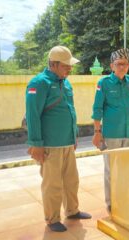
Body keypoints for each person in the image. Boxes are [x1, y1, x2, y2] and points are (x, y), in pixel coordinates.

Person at [26, 46, 91, 232]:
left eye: (70, 65)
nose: (70, 69)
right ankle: (52, 218)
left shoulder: (66, 83)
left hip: (67, 142)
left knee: (71, 180)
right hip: (50, 144)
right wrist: (36, 144)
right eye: (66, 65)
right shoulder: (39, 83)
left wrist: (74, 136)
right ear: (53, 64)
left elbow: (70, 111)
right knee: (52, 184)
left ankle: (72, 210)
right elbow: (33, 115)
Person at [91, 48, 129, 212]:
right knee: (111, 170)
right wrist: (97, 132)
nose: (123, 67)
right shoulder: (103, 83)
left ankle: (125, 198)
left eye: (125, 64)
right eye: (119, 64)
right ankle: (111, 203)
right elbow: (97, 109)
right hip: (111, 134)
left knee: (128, 169)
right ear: (112, 65)